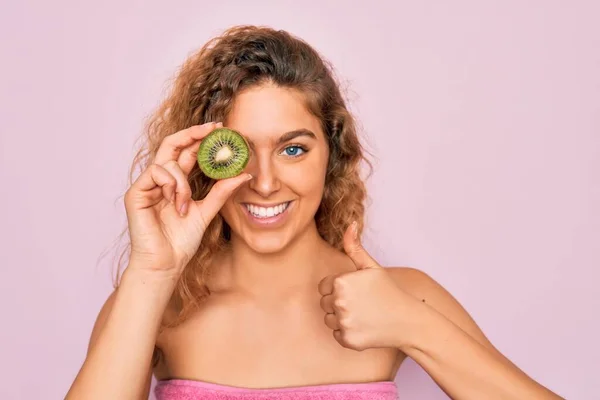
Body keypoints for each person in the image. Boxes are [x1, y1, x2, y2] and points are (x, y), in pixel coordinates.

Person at [66, 25, 563, 400]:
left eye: (293, 150)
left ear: (333, 155)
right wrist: (153, 274)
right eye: (240, 150)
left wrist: (415, 326)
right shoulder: (156, 304)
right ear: (205, 160)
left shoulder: (404, 295)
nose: (263, 182)